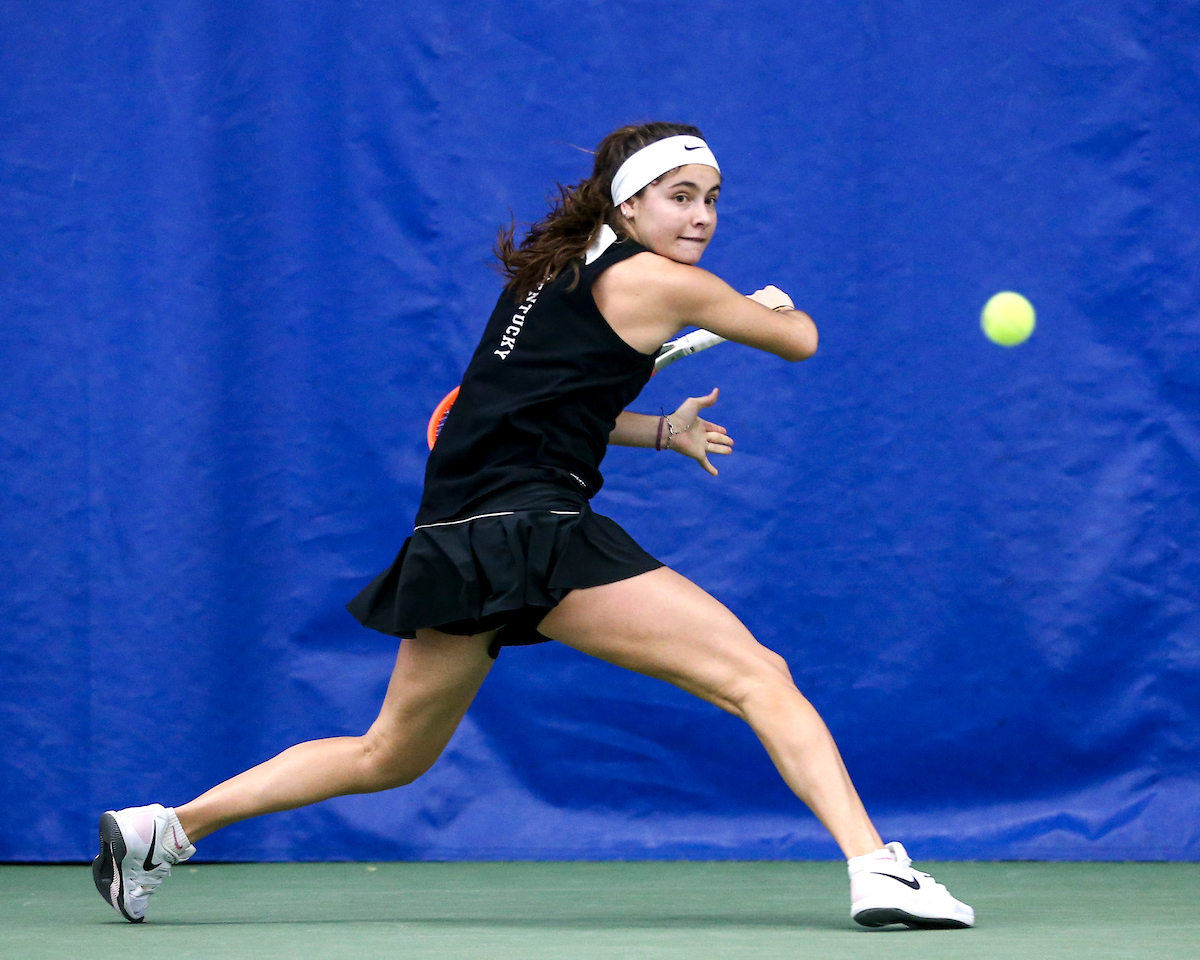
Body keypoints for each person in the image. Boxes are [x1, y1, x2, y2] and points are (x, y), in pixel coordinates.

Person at [93, 121, 974, 930]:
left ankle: (164, 827)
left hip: (456, 537)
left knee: (389, 754)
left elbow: (521, 408)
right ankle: (877, 868)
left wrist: (662, 429)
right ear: (629, 202)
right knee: (758, 675)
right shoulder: (661, 279)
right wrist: (771, 312)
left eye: (711, 199)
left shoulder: (548, 282)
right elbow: (802, 342)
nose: (700, 215)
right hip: (537, 531)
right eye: (680, 196)